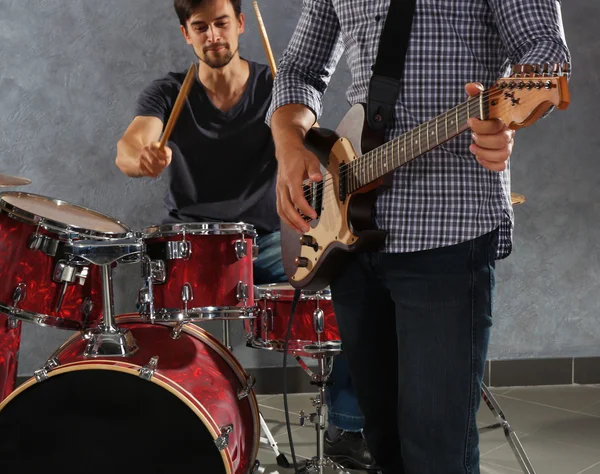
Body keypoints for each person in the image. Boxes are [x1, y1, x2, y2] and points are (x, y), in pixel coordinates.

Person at [267, 1, 570, 473]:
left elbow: (544, 50)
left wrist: (505, 121)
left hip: (448, 228)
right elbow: (300, 67)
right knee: (382, 441)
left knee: (436, 449)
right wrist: (288, 143)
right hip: (350, 238)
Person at [114, 0, 375, 469]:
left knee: (355, 282)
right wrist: (142, 158)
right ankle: (177, 423)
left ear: (239, 25)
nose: (213, 35)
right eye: (200, 27)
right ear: (186, 35)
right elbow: (131, 145)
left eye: (220, 23)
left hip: (273, 242)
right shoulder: (168, 92)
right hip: (190, 246)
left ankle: (346, 424)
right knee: (148, 325)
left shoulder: (278, 91)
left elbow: (313, 151)